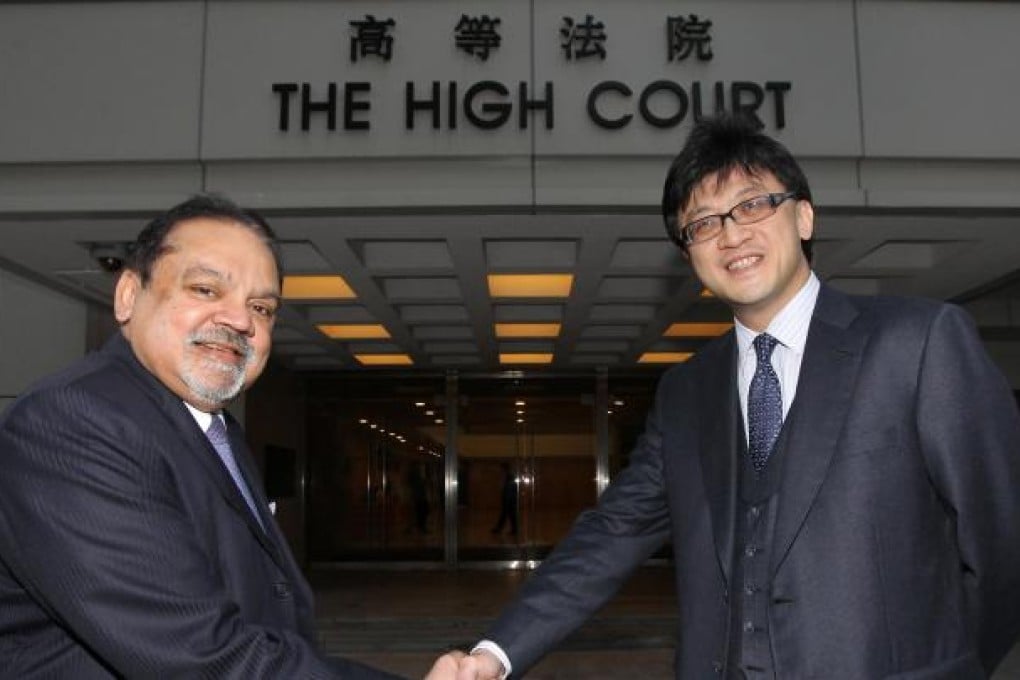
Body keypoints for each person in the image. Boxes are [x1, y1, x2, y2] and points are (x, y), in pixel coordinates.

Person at [432, 114, 1020, 679]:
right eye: (704, 224)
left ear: (804, 217)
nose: (732, 234)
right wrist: (494, 654)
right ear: (690, 255)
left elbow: (1002, 541)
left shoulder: (915, 343)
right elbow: (612, 533)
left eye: (753, 205)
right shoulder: (685, 391)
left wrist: (955, 669)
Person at [0, 195, 444, 678]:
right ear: (128, 295)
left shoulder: (213, 426)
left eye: (261, 307)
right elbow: (198, 656)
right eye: (206, 289)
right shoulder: (72, 423)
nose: (240, 321)